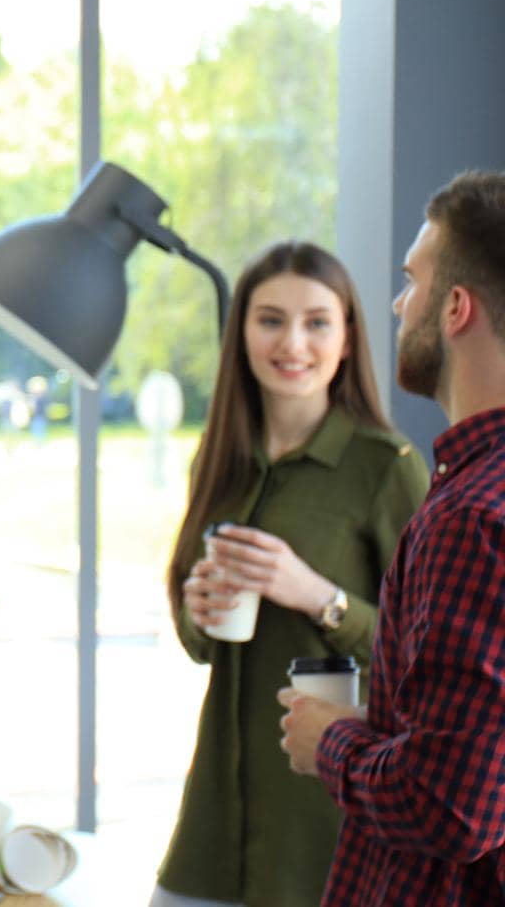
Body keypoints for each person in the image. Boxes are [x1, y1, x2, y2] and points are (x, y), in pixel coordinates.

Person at [154, 243, 429, 907]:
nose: (293, 342)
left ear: (347, 338)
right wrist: (198, 608)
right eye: (270, 319)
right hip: (215, 810)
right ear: (241, 332)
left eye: (317, 322)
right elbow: (200, 647)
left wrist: (318, 596)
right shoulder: (217, 459)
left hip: (324, 817)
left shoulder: (386, 468)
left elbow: (423, 654)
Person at [281, 169, 505, 904]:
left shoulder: (471, 518)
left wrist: (333, 742)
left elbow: (450, 806)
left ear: (457, 308)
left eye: (412, 281)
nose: (399, 303)